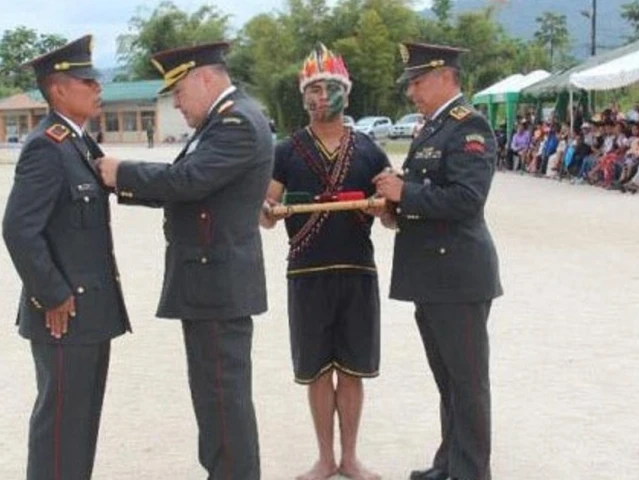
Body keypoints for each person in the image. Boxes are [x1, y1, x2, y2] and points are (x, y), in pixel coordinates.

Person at [95, 42, 272, 479]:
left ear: (205, 79)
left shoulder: (235, 123)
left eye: (178, 91)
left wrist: (123, 173)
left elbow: (188, 180)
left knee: (222, 399)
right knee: (215, 400)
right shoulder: (224, 121)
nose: (175, 101)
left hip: (218, 285)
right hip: (211, 282)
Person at [2, 35, 131, 480]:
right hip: (65, 313)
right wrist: (52, 294)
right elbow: (18, 228)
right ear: (58, 89)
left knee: (79, 425)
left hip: (90, 311)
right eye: (88, 81)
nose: (98, 88)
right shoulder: (47, 146)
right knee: (59, 428)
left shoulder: (77, 143)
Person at [373, 42, 502, 480]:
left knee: (467, 383)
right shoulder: (432, 128)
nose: (412, 92)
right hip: (432, 274)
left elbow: (466, 199)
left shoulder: (470, 127)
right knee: (447, 380)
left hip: (458, 275)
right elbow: (427, 194)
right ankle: (450, 463)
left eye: (418, 80)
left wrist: (404, 193)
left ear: (446, 77)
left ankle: (471, 471)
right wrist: (391, 207)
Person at [260, 43, 386, 480]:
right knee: (317, 369)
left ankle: (350, 457)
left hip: (356, 270)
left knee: (351, 369)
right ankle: (324, 458)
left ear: (346, 95)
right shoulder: (286, 150)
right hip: (306, 273)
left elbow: (391, 218)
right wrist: (266, 209)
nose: (321, 97)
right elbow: (267, 215)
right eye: (313, 89)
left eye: (330, 88)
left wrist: (382, 208)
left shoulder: (369, 149)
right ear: (302, 96)